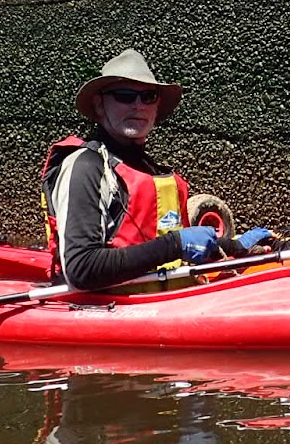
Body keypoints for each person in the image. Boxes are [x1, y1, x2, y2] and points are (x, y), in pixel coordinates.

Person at [42, 48, 269, 290]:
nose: (138, 106)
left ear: (156, 107)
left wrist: (235, 247)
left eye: (148, 96)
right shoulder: (86, 167)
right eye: (125, 96)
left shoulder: (151, 170)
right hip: (112, 309)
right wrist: (174, 245)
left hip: (167, 303)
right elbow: (81, 268)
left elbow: (164, 247)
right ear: (99, 105)